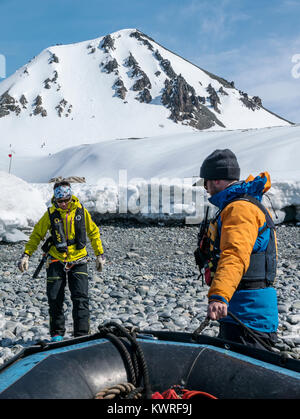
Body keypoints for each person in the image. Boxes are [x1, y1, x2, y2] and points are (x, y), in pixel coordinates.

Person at [196, 149, 278, 350]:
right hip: (241, 309)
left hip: (248, 313)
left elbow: (234, 254)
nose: (205, 188)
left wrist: (219, 296)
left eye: (205, 182)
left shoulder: (239, 209)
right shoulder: (238, 204)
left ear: (215, 181)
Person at [18, 180, 105, 342]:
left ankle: (81, 335)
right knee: (54, 298)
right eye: (60, 201)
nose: (64, 204)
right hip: (56, 260)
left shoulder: (81, 211)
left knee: (80, 298)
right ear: (55, 200)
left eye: (66, 200)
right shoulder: (50, 214)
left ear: (70, 197)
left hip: (79, 259)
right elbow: (37, 234)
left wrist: (100, 254)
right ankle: (57, 335)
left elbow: (93, 232)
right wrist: (26, 255)